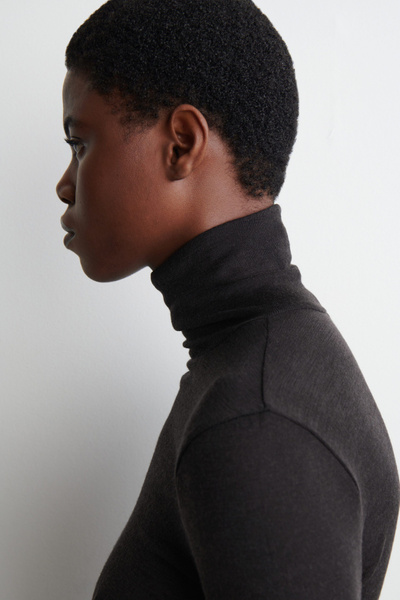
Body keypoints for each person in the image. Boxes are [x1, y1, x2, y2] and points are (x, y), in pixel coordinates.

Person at [56, 1, 399, 598]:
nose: (64, 184)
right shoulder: (260, 365)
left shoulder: (259, 421)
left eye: (80, 144)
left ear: (181, 144)